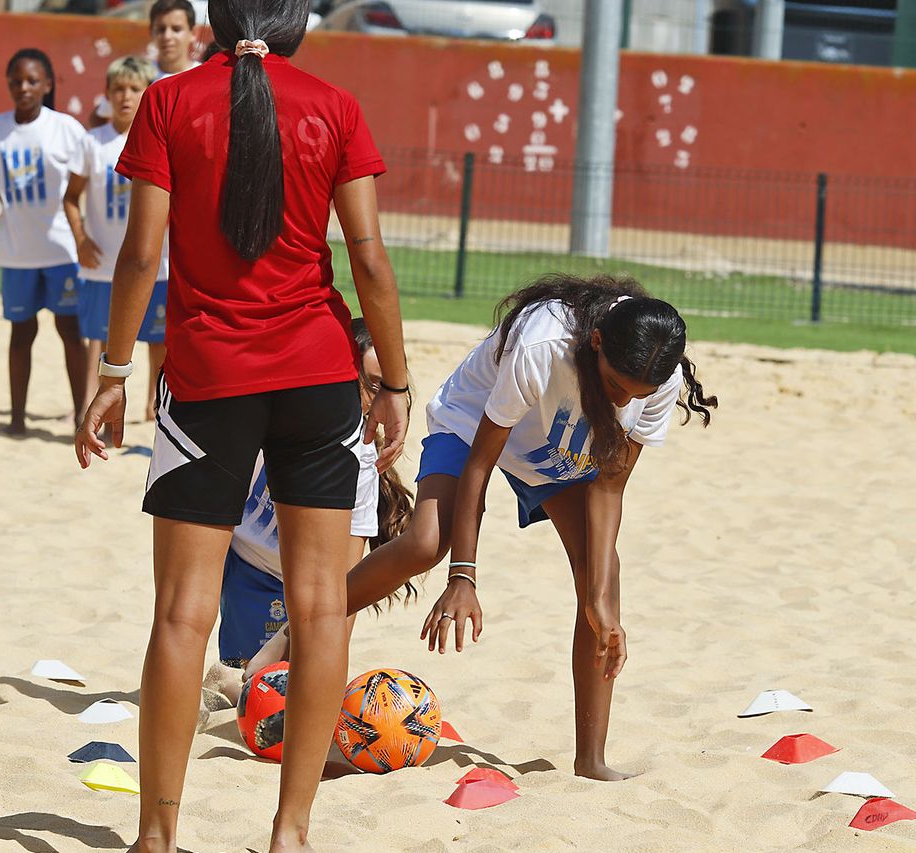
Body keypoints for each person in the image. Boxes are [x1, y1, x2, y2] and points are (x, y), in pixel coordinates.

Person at [74, 0, 410, 853]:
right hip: (317, 372)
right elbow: (369, 259)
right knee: (323, 606)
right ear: (300, 26)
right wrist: (397, 381)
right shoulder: (335, 105)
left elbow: (141, 256)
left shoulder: (170, 101)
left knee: (183, 615)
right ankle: (290, 833)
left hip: (208, 376)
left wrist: (113, 374)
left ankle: (156, 835)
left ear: (217, 24)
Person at [246, 274, 717, 781]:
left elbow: (609, 488)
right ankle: (297, 630)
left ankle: (590, 760)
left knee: (602, 589)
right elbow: (480, 463)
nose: (625, 402)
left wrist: (599, 598)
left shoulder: (658, 377)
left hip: (551, 450)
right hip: (474, 425)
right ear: (596, 341)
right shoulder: (544, 343)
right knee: (427, 542)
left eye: (637, 395)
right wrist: (462, 577)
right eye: (616, 388)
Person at [209, 319, 414, 694]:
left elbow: (346, 583)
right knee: (247, 685)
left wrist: (330, 651)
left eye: (382, 387)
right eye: (367, 383)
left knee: (296, 686)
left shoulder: (363, 460)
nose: (371, 397)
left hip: (304, 581)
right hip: (246, 563)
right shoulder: (275, 419)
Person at [0, 48, 90, 436]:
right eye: (16, 81)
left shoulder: (64, 128)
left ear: (48, 85)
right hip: (16, 253)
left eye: (33, 80)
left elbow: (91, 171)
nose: (24, 87)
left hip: (62, 251)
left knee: (70, 331)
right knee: (21, 334)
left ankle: (81, 414)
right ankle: (16, 418)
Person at [62, 56, 169, 419]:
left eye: (134, 89)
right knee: (102, 339)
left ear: (148, 92)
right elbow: (70, 197)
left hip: (158, 262)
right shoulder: (93, 143)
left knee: (158, 339)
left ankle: (153, 408)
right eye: (118, 89)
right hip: (103, 262)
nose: (125, 96)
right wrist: (80, 240)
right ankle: (93, 405)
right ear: (107, 94)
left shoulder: (161, 140)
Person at [90, 0, 200, 127]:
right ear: (151, 32)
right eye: (161, 29)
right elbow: (99, 118)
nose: (167, 36)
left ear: (193, 33)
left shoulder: (204, 77)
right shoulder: (137, 75)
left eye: (176, 29)